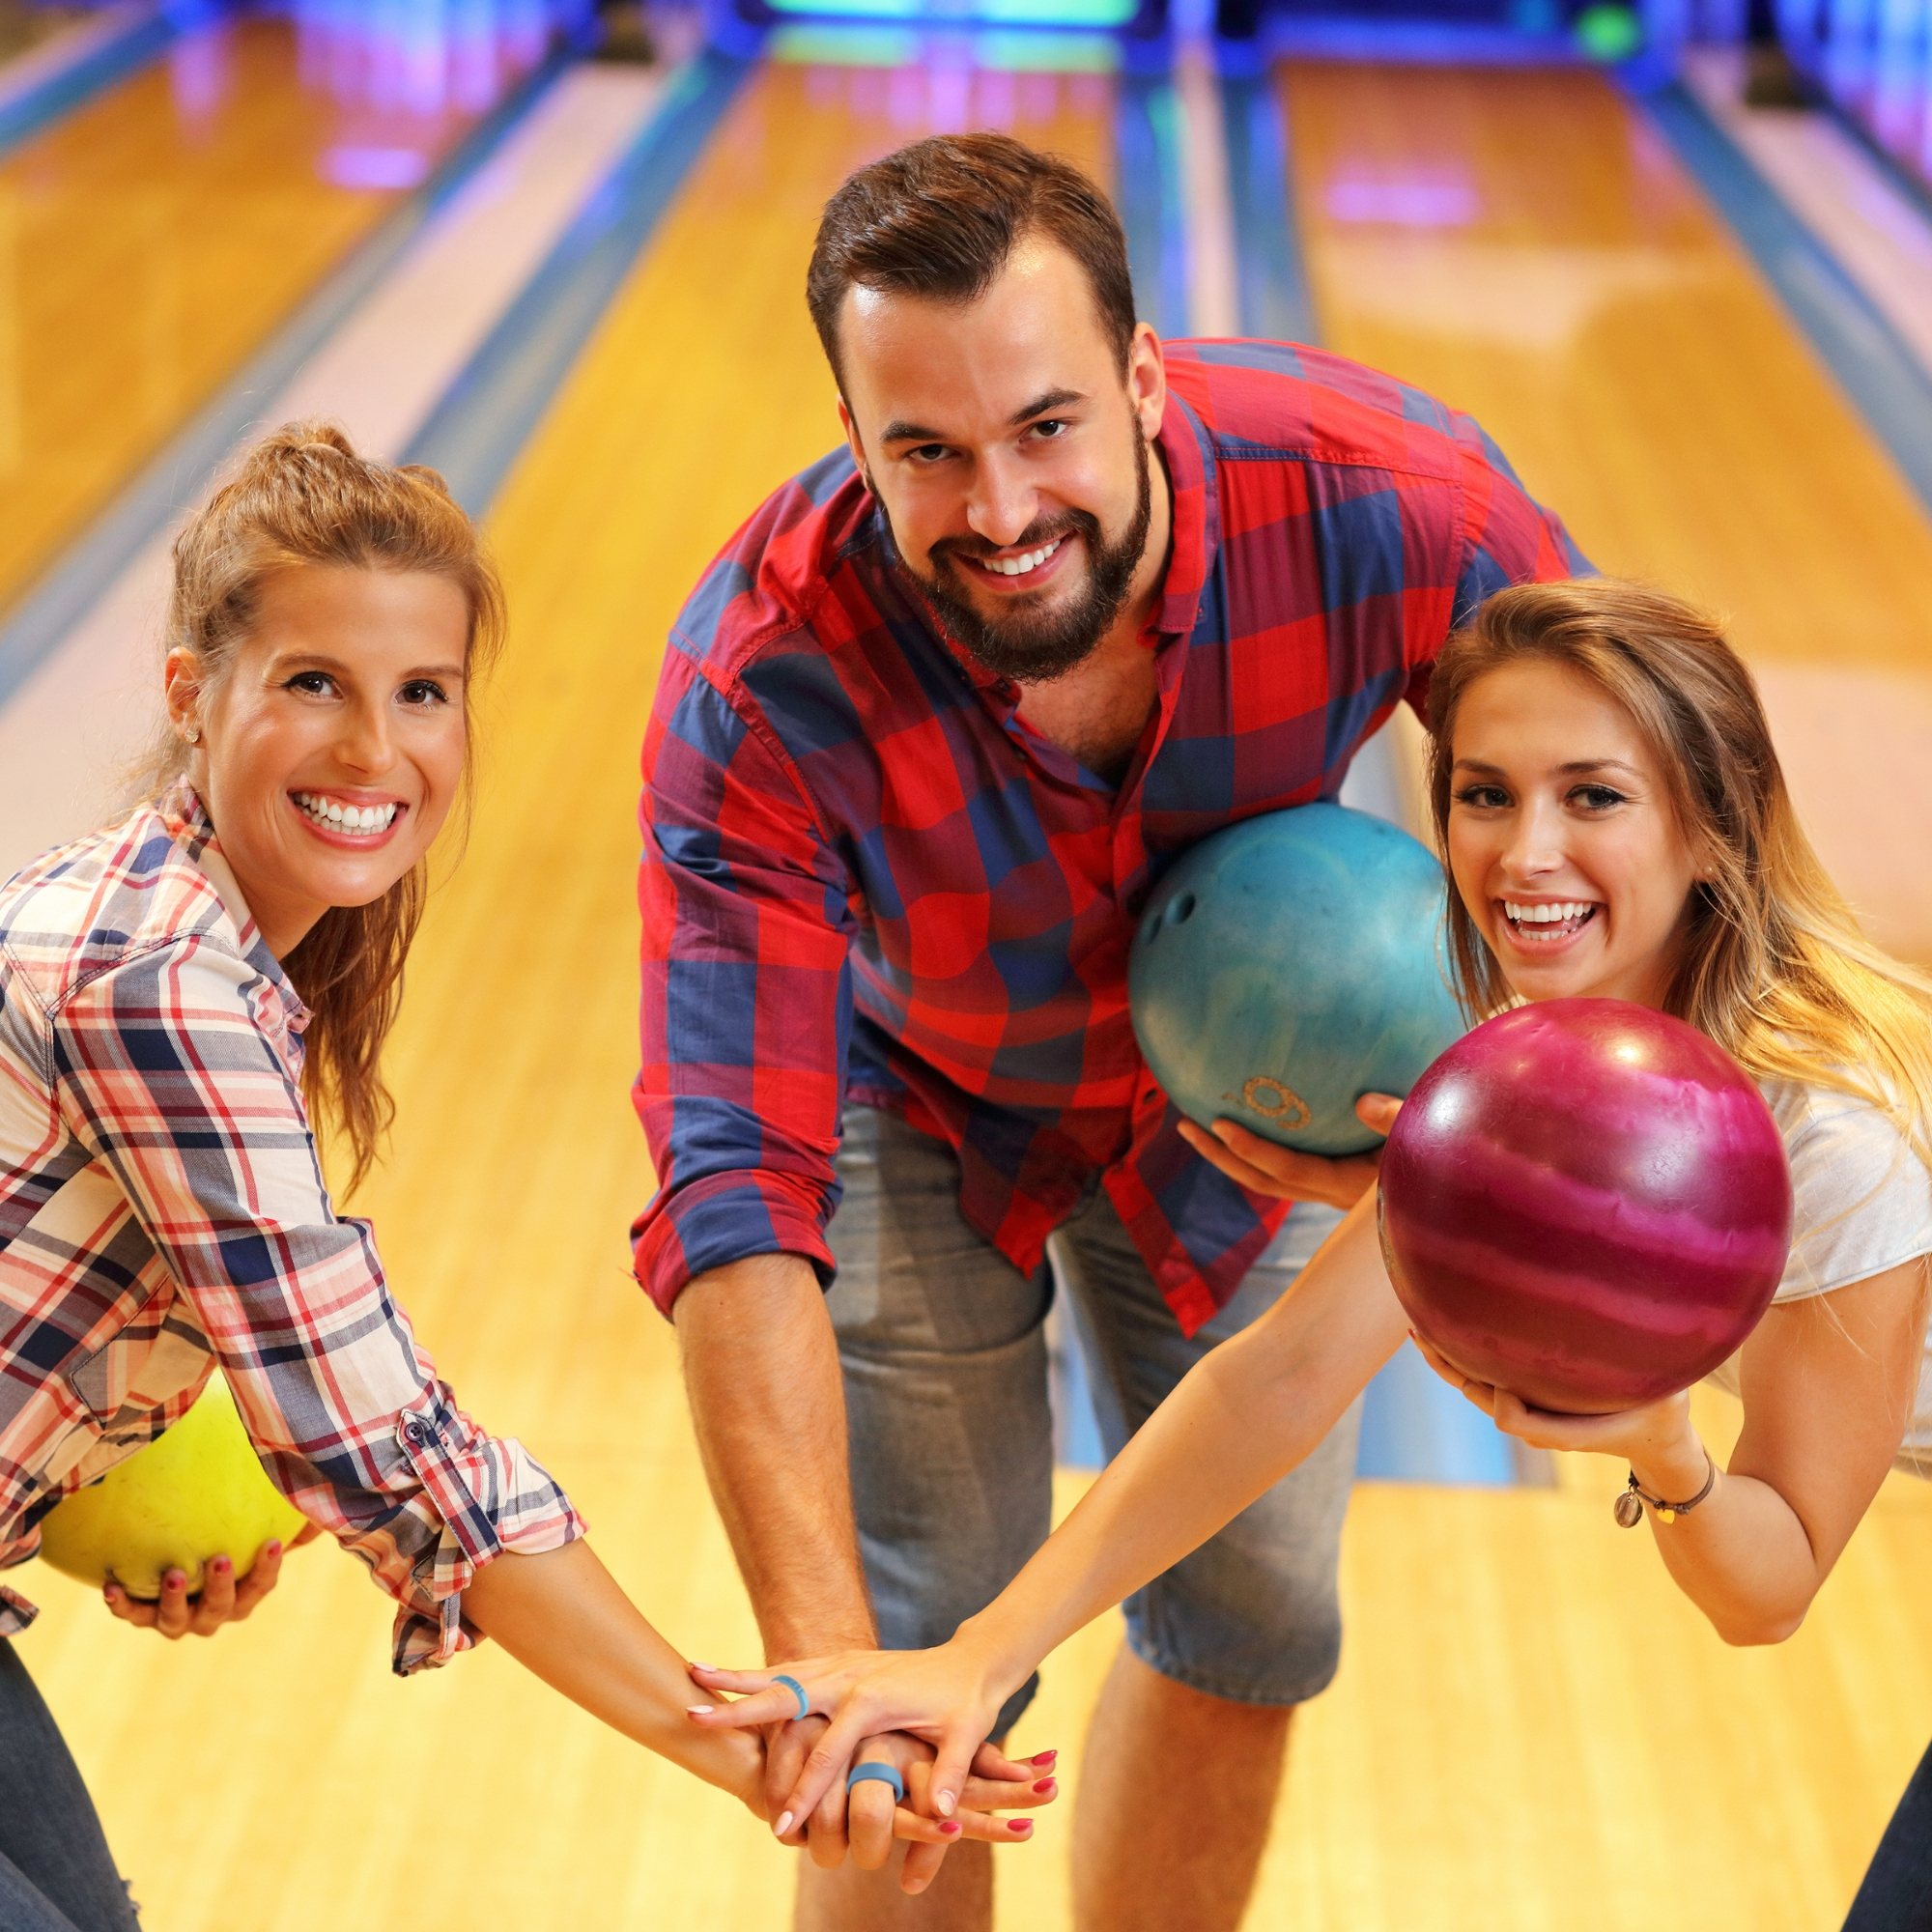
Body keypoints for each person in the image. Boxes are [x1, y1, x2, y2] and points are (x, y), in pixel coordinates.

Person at [634, 129, 1584, 1927]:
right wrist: (832, 1675)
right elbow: (730, 1181)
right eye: (924, 450)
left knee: (1255, 1623)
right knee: (910, 1671)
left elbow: (1624, 822)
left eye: (1048, 426)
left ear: (1145, 379)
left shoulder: (1390, 504)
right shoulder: (760, 679)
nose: (999, 509)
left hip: (1259, 1088)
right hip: (912, 1101)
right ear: (853, 440)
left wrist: (1487, 1118)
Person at [685, 577, 1932, 1922]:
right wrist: (983, 1658)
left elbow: (1771, 1589)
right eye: (1484, 793)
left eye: (1594, 796)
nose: (1525, 853)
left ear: (1712, 826)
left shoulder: (1827, 1133)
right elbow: (1270, 1382)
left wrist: (1663, 1446)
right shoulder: (1518, 1082)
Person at [0, 423, 1041, 1932]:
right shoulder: (157, 982)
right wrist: (753, 1743)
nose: (375, 750)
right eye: (313, 684)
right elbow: (389, 1446)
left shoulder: (191, 929)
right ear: (190, 695)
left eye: (421, 693)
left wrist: (111, 1483)